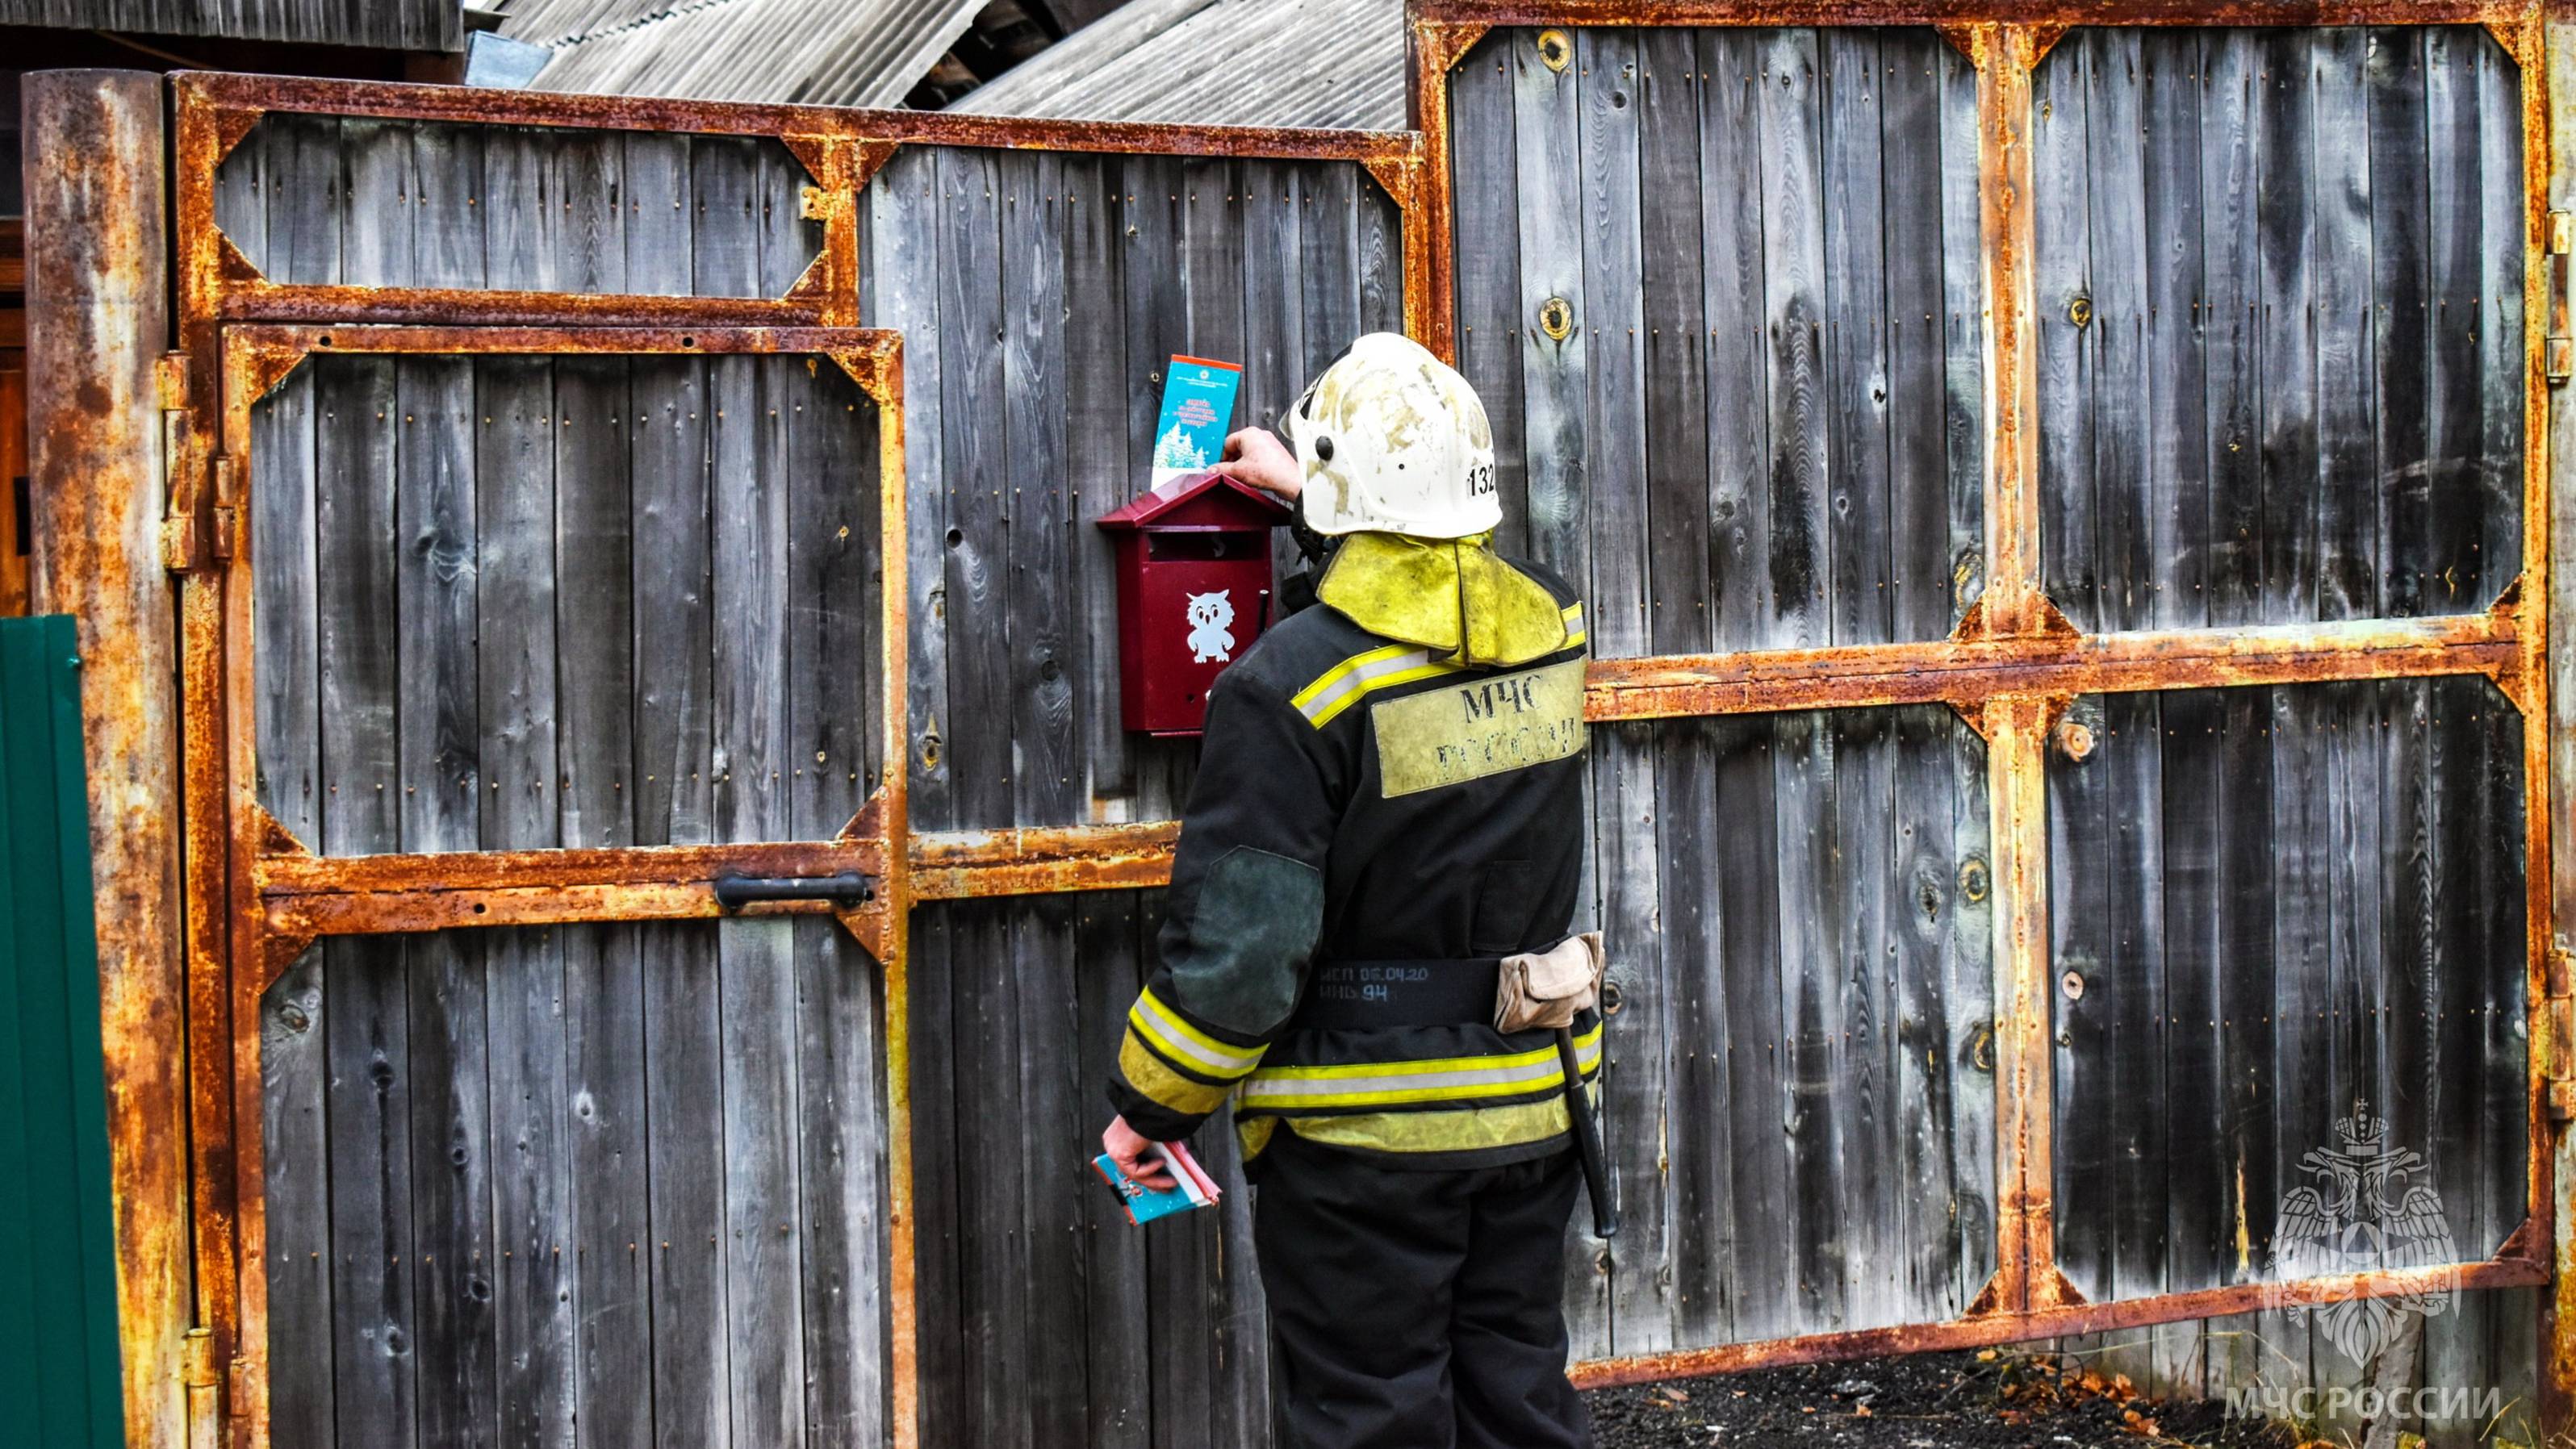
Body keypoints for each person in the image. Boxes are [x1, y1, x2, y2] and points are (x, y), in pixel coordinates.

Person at [1098, 332, 1600, 1449]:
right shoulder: (1554, 631)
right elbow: (1433, 610)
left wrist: (1151, 1109)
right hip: (1534, 1103)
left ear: (1340, 487)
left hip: (1367, 1138)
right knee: (1515, 1397)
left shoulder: (1287, 690)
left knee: (1373, 1418)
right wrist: (1314, 501)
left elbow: (1244, 955)